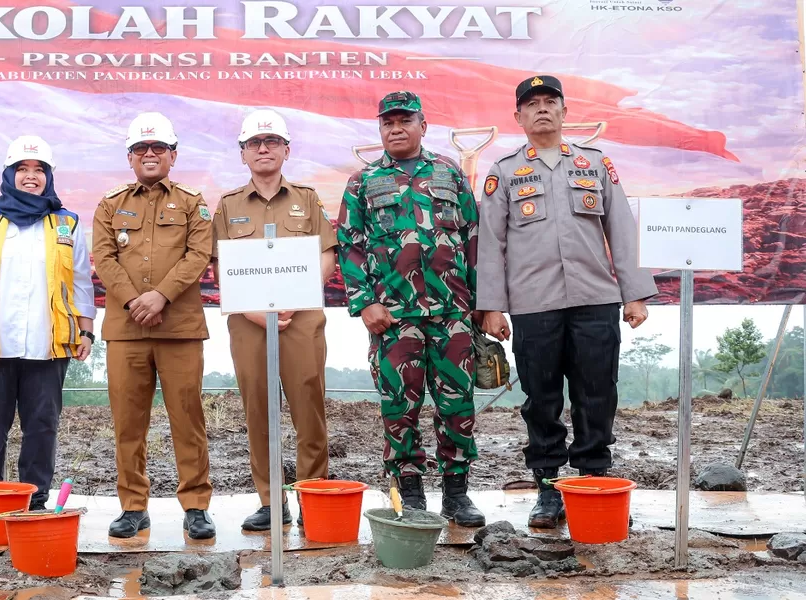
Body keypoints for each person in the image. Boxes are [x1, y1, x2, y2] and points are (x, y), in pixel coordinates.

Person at [476, 75, 657, 528]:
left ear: (564, 111)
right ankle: (548, 488)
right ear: (517, 116)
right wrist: (492, 306)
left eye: (549, 102)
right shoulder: (504, 172)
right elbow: (489, 245)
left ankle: (594, 478)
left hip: (595, 298)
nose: (541, 109)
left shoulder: (595, 164)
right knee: (541, 398)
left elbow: (622, 229)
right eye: (531, 104)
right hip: (533, 304)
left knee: (597, 392)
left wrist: (633, 293)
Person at [336, 91, 486, 528]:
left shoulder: (449, 173)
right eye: (388, 123)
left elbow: (472, 238)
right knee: (399, 405)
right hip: (394, 317)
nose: (396, 129)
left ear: (423, 125)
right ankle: (411, 491)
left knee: (457, 403)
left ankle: (457, 493)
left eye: (404, 120)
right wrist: (365, 303)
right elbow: (350, 244)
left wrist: (482, 304)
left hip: (452, 312)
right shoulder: (363, 182)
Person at [0, 135, 95, 531]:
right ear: (9, 175)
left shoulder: (67, 223)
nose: (31, 177)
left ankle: (35, 500)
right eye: (23, 170)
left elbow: (81, 281)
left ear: (48, 177)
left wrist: (87, 331)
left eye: (39, 170)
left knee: (42, 424)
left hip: (48, 345)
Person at [92, 112, 216, 540]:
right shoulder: (110, 204)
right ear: (130, 157)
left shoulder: (193, 203)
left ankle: (196, 505)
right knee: (128, 422)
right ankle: (132, 506)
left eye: (158, 148)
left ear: (173, 155)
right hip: (126, 329)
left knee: (187, 418)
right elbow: (104, 258)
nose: (150, 155)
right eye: (141, 149)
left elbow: (199, 255)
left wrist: (160, 295)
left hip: (179, 327)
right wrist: (133, 300)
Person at [210, 109, 333, 531]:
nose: (263, 149)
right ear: (243, 154)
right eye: (254, 144)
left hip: (301, 319)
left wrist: (295, 299)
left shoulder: (308, 199)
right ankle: (271, 501)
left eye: (272, 142)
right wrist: (254, 311)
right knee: (259, 409)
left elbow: (327, 255)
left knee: (308, 406)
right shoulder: (228, 207)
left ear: (286, 150)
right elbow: (219, 267)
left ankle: (313, 494)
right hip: (248, 323)